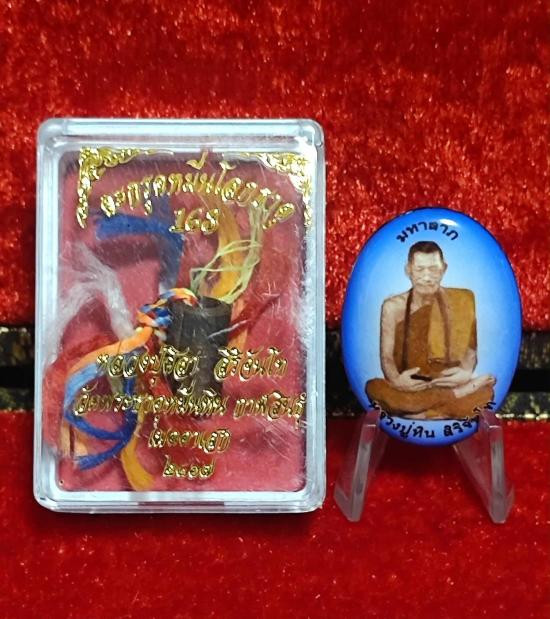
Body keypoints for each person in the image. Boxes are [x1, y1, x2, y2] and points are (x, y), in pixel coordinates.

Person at [366, 241, 495, 419]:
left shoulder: (461, 300)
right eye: (419, 270)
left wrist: (466, 372)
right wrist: (396, 381)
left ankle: (418, 412)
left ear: (444, 269)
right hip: (410, 386)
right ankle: (453, 399)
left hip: (446, 382)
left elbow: (470, 350)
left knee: (486, 393)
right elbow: (386, 357)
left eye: (434, 269)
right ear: (408, 270)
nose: (427, 277)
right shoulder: (393, 306)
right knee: (374, 387)